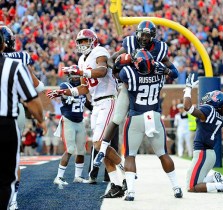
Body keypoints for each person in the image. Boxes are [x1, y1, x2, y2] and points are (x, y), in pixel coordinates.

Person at [47, 28, 126, 198]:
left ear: (93, 41)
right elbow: (84, 88)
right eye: (80, 42)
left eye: (85, 41)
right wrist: (63, 92)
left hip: (108, 100)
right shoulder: (82, 60)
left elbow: (103, 70)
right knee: (100, 148)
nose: (82, 45)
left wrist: (81, 72)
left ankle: (126, 170)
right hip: (96, 104)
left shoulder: (99, 51)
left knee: (99, 145)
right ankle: (117, 185)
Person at [94, 20, 178, 168]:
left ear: (152, 36)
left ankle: (157, 152)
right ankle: (102, 151)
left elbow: (175, 73)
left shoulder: (160, 49)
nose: (144, 39)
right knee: (117, 117)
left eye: (147, 36)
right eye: (142, 35)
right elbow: (110, 61)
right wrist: (120, 65)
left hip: (149, 86)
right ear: (137, 34)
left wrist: (165, 70)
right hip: (132, 84)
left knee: (149, 126)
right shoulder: (130, 43)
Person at [118, 49, 182, 201]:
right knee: (162, 153)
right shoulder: (159, 68)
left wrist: (126, 59)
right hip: (154, 115)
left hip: (136, 117)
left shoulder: (128, 72)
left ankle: (131, 192)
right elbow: (174, 73)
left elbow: (118, 71)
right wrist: (166, 69)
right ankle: (176, 187)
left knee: (130, 155)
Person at [0, 25, 46, 210]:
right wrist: (40, 119)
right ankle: (12, 200)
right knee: (11, 161)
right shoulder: (18, 59)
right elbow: (36, 87)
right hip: (11, 112)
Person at [183, 74, 223, 194]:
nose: (207, 98)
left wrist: (188, 88)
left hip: (202, 153)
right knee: (196, 181)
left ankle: (221, 185)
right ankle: (216, 178)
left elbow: (187, 107)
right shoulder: (222, 116)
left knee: (191, 187)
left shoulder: (209, 111)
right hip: (209, 153)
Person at [51, 73, 93, 186]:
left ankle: (78, 177)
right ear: (69, 77)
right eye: (73, 76)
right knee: (70, 149)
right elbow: (64, 94)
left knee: (81, 151)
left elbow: (89, 104)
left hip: (79, 122)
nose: (75, 78)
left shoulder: (83, 88)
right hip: (69, 121)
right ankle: (58, 177)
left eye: (77, 75)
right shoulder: (65, 85)